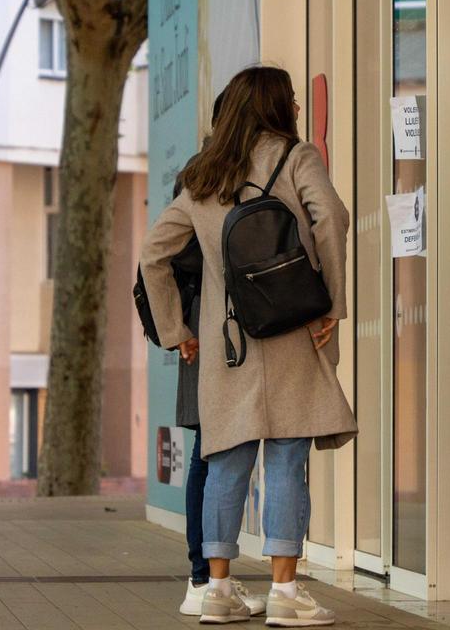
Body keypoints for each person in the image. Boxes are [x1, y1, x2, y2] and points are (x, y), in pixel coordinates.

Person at [141, 65, 356, 627]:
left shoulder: (201, 175)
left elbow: (153, 255)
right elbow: (331, 215)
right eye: (290, 98)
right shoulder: (295, 156)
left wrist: (175, 331)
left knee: (226, 463)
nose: (298, 108)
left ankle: (218, 589)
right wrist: (332, 299)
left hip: (226, 340)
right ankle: (285, 594)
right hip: (289, 328)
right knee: (287, 458)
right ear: (274, 105)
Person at [173, 94, 268, 618]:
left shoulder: (199, 171)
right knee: (211, 452)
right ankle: (205, 579)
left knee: (207, 450)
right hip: (213, 326)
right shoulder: (219, 173)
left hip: (201, 324)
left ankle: (204, 580)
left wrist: (177, 326)